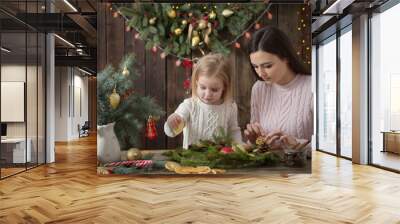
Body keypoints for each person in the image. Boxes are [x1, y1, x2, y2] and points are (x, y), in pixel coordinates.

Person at [244, 26, 313, 151]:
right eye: (255, 67)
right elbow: (258, 145)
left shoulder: (312, 87)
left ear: (285, 57)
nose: (261, 73)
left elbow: (330, 146)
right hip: (269, 168)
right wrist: (254, 140)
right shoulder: (259, 89)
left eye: (267, 66)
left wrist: (297, 145)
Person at [164, 53, 242, 149]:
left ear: (224, 87)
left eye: (214, 89)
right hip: (192, 159)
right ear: (196, 83)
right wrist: (172, 122)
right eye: (203, 87)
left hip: (219, 159)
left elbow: (233, 131)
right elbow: (171, 132)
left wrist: (239, 148)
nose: (207, 94)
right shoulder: (189, 105)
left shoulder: (230, 106)